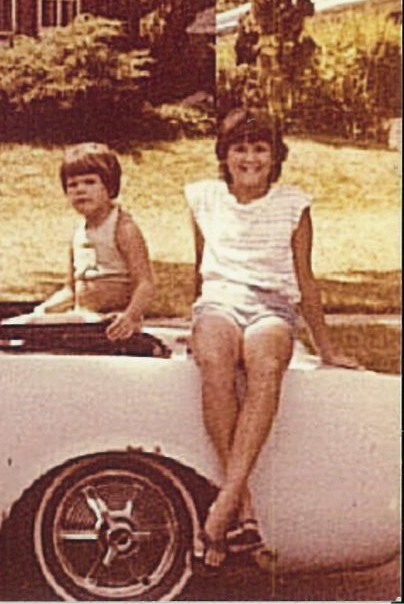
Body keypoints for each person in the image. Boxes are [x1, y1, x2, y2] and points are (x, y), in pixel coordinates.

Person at [186, 107, 358, 566]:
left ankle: (224, 504)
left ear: (274, 155)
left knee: (265, 362)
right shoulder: (204, 198)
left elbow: (306, 280)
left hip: (270, 307)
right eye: (239, 148)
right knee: (216, 359)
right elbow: (200, 271)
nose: (249, 158)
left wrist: (328, 348)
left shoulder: (293, 205)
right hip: (219, 302)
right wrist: (196, 324)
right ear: (224, 155)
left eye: (259, 148)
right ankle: (242, 508)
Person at [32, 142, 155, 341]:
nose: (80, 190)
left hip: (115, 322)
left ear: (109, 187)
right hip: (85, 319)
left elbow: (145, 283)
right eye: (73, 185)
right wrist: (42, 311)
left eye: (89, 182)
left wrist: (130, 317)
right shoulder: (78, 234)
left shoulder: (123, 229)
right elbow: (71, 289)